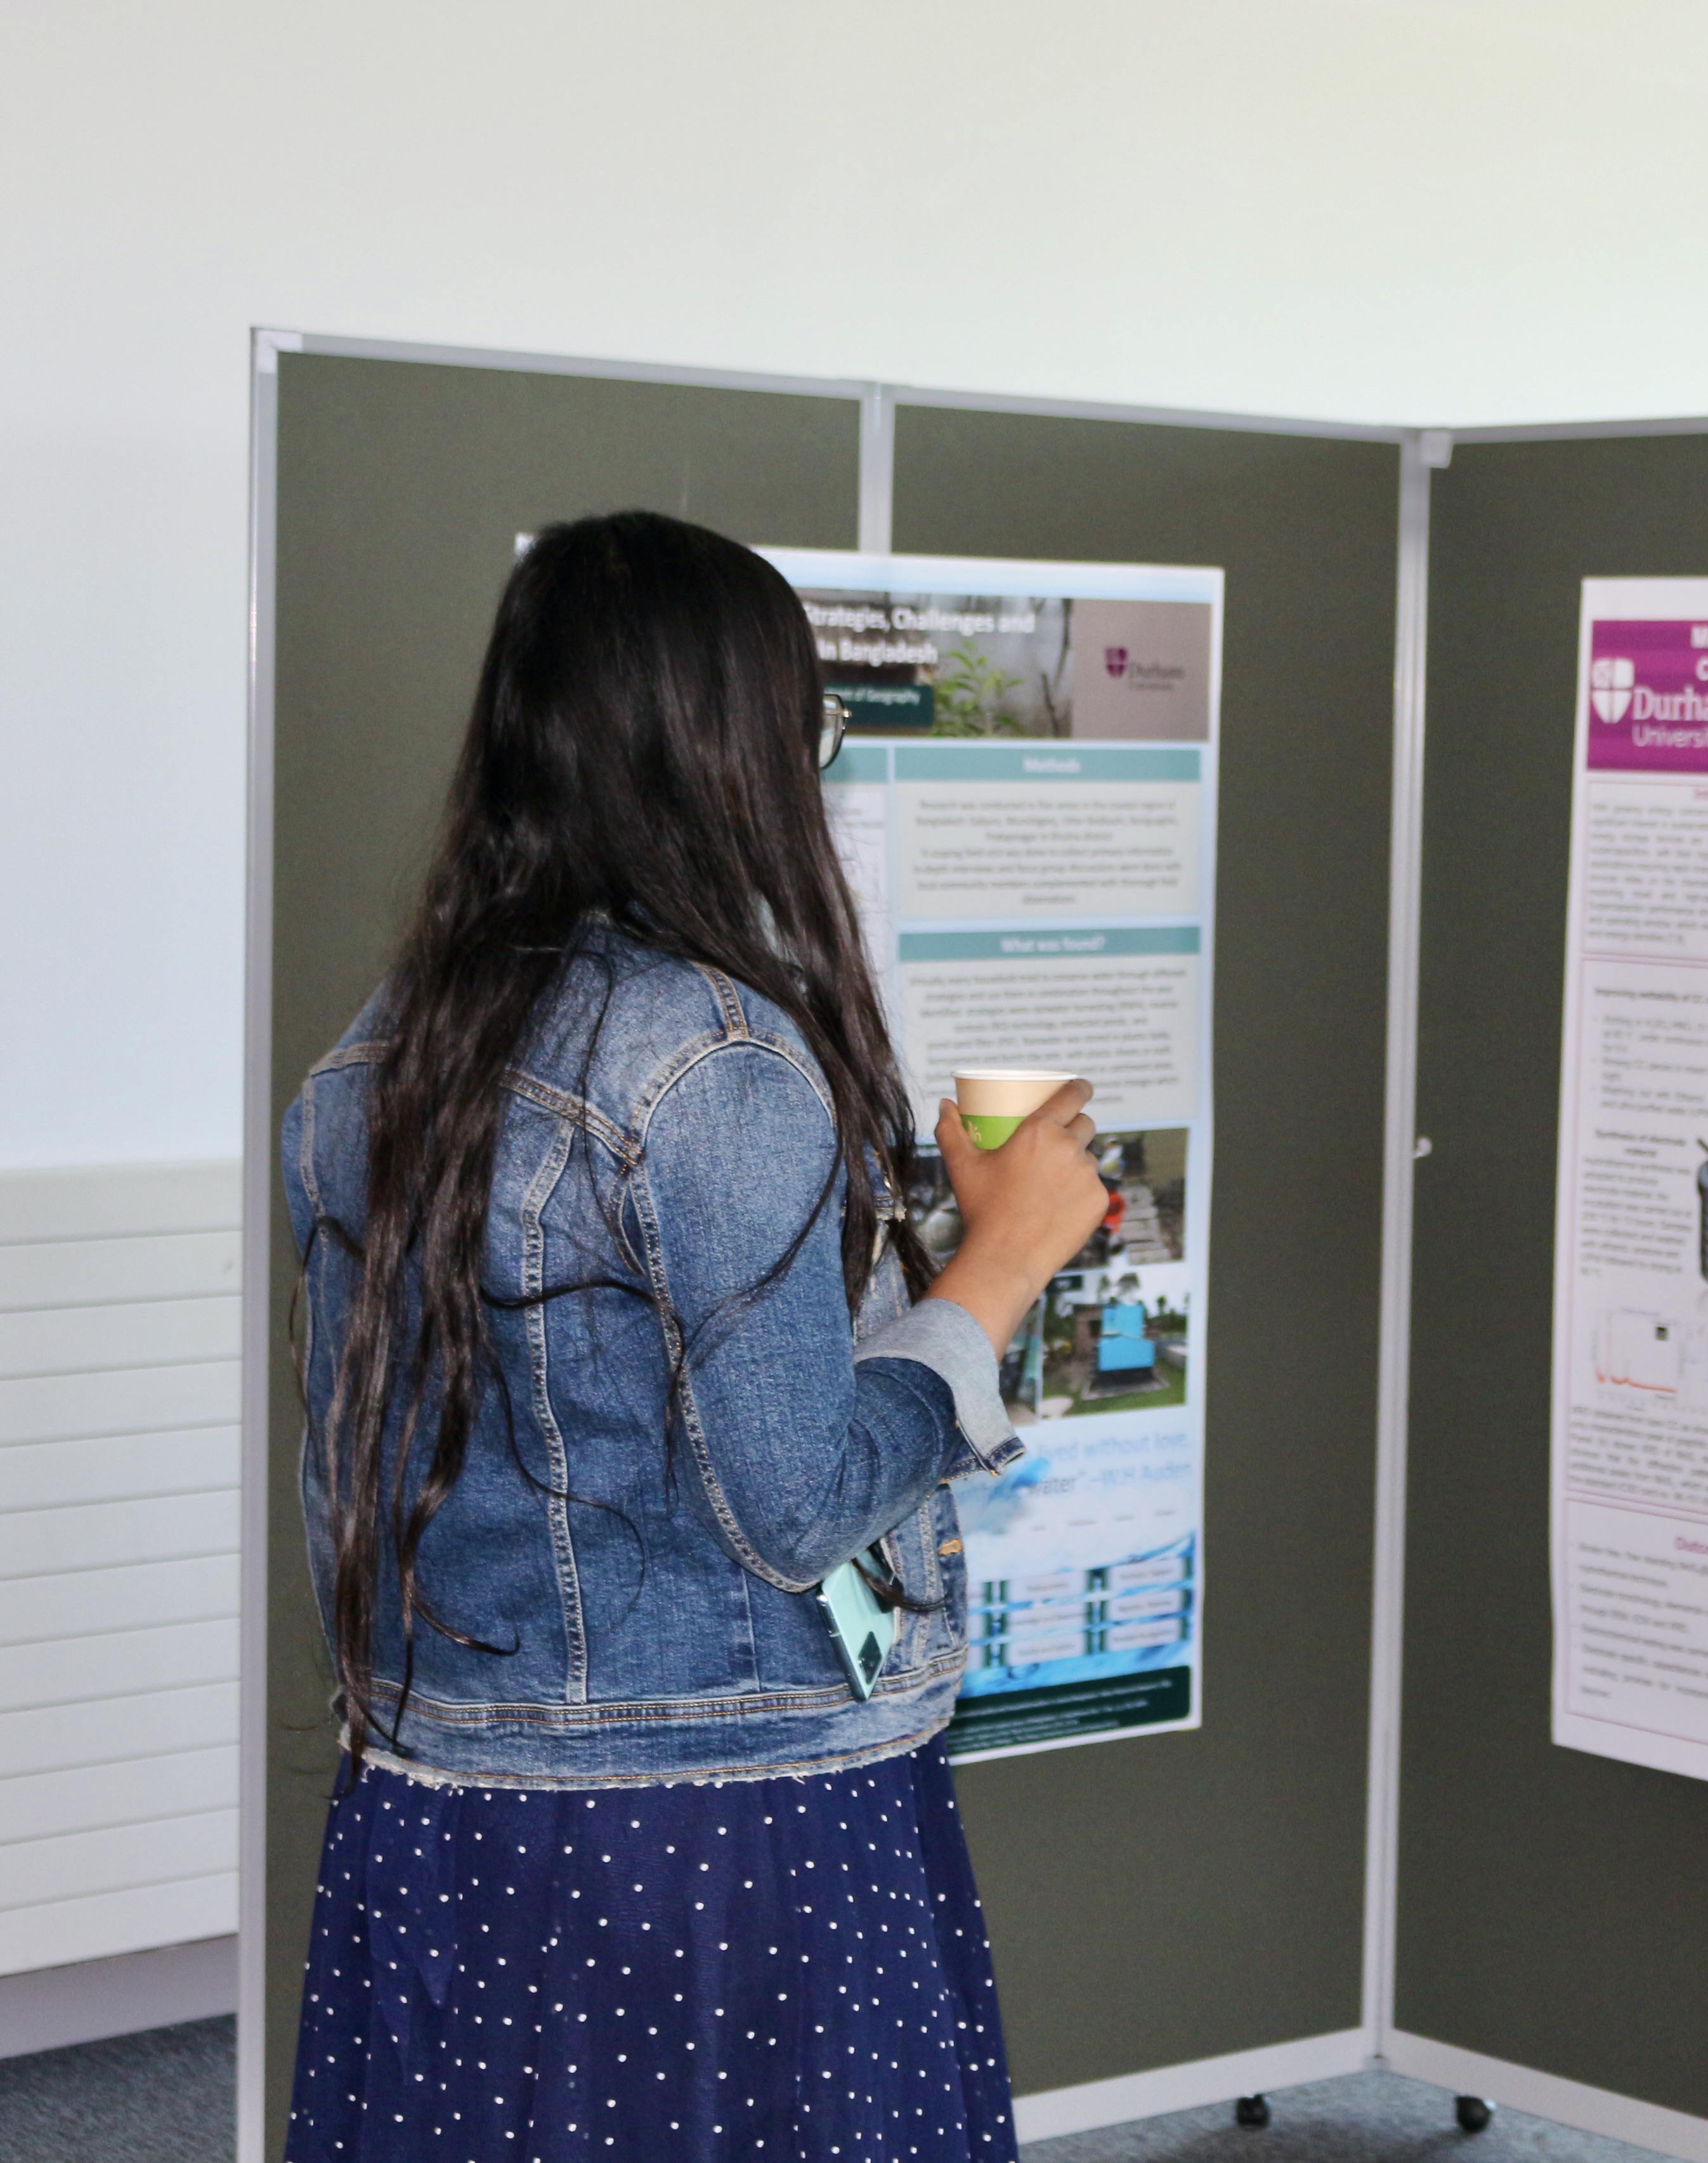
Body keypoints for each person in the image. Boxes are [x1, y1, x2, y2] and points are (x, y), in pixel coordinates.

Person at [279, 511, 1109, 2162]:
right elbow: (796, 1507)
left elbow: (381, 1479)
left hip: (445, 1812)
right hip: (722, 1836)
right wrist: (1002, 1262)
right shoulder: (716, 1058)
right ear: (738, 740)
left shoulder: (373, 1057)